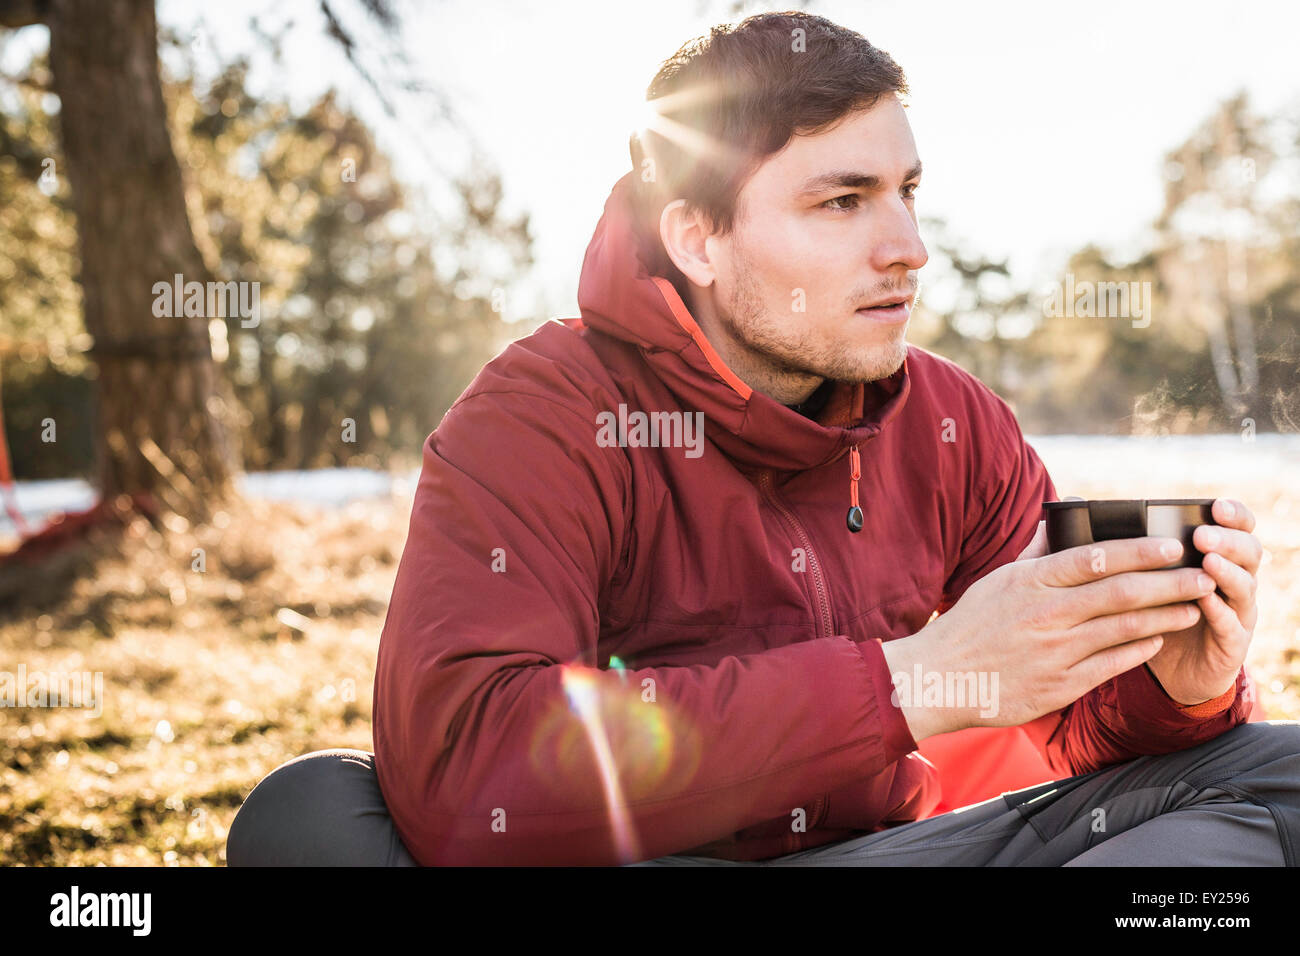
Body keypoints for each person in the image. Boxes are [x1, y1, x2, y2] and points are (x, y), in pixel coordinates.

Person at [226, 11, 1297, 867]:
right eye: (842, 202)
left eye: (907, 192)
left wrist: (1179, 686)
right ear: (698, 234)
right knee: (311, 818)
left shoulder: (955, 422)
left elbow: (1071, 734)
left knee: (1274, 773)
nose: (909, 247)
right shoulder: (538, 418)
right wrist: (907, 681)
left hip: (904, 851)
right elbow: (472, 774)